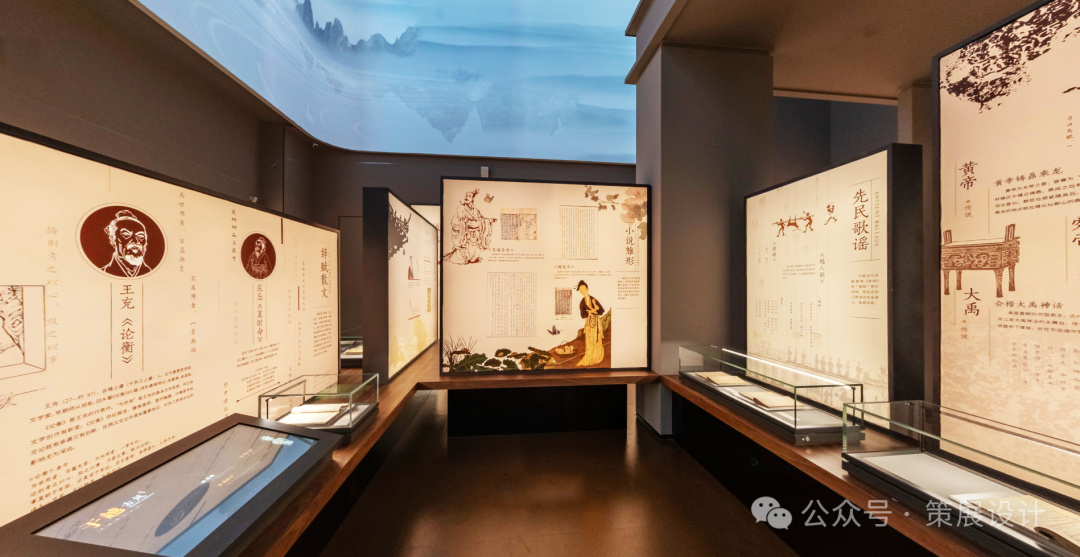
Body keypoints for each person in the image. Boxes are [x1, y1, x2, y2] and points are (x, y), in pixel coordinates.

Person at [445, 189, 496, 264]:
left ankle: (473, 257)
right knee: (461, 257)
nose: (467, 197)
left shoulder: (476, 210)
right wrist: (466, 224)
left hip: (475, 235)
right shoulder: (461, 208)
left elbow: (481, 219)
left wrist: (484, 222)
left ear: (472, 198)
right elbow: (454, 221)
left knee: (474, 254)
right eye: (466, 195)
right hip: (465, 236)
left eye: (469, 196)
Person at [101, 210, 154, 277]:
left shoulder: (153, 274)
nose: (135, 241)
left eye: (141, 237)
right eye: (126, 235)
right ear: (112, 240)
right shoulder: (101, 273)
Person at [576, 280, 606, 367]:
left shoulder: (593, 299)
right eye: (581, 290)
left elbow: (601, 311)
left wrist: (595, 310)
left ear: (587, 289)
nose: (582, 291)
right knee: (590, 340)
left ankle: (597, 356)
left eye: (584, 289)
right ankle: (590, 356)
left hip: (596, 322)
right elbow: (582, 315)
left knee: (597, 339)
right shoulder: (582, 303)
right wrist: (588, 312)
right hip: (589, 322)